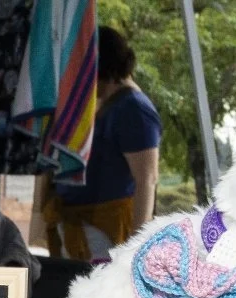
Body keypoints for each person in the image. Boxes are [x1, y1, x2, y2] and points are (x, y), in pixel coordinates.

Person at [44, 25, 161, 263]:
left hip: (106, 232)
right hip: (81, 227)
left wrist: (136, 247)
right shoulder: (105, 105)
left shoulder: (134, 109)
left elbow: (147, 179)